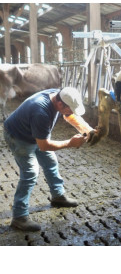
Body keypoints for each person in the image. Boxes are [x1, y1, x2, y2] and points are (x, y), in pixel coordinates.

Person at [3, 87, 95, 232]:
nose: (71, 112)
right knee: (30, 173)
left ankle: (58, 196)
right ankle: (19, 217)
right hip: (18, 136)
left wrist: (87, 129)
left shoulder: (58, 94)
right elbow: (44, 145)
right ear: (60, 105)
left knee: (51, 162)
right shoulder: (41, 112)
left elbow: (69, 116)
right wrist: (70, 144)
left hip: (34, 131)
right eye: (70, 109)